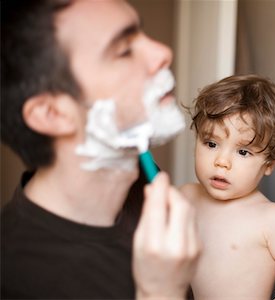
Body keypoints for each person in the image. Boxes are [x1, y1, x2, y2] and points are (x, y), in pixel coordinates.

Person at [1, 0, 200, 299]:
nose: (163, 53)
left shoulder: (147, 186)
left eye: (141, 34)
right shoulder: (12, 277)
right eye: (123, 49)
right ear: (53, 114)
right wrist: (160, 293)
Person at [180, 74, 275, 299]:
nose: (222, 161)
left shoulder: (272, 219)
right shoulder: (185, 197)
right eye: (211, 143)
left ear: (269, 164)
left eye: (243, 151)